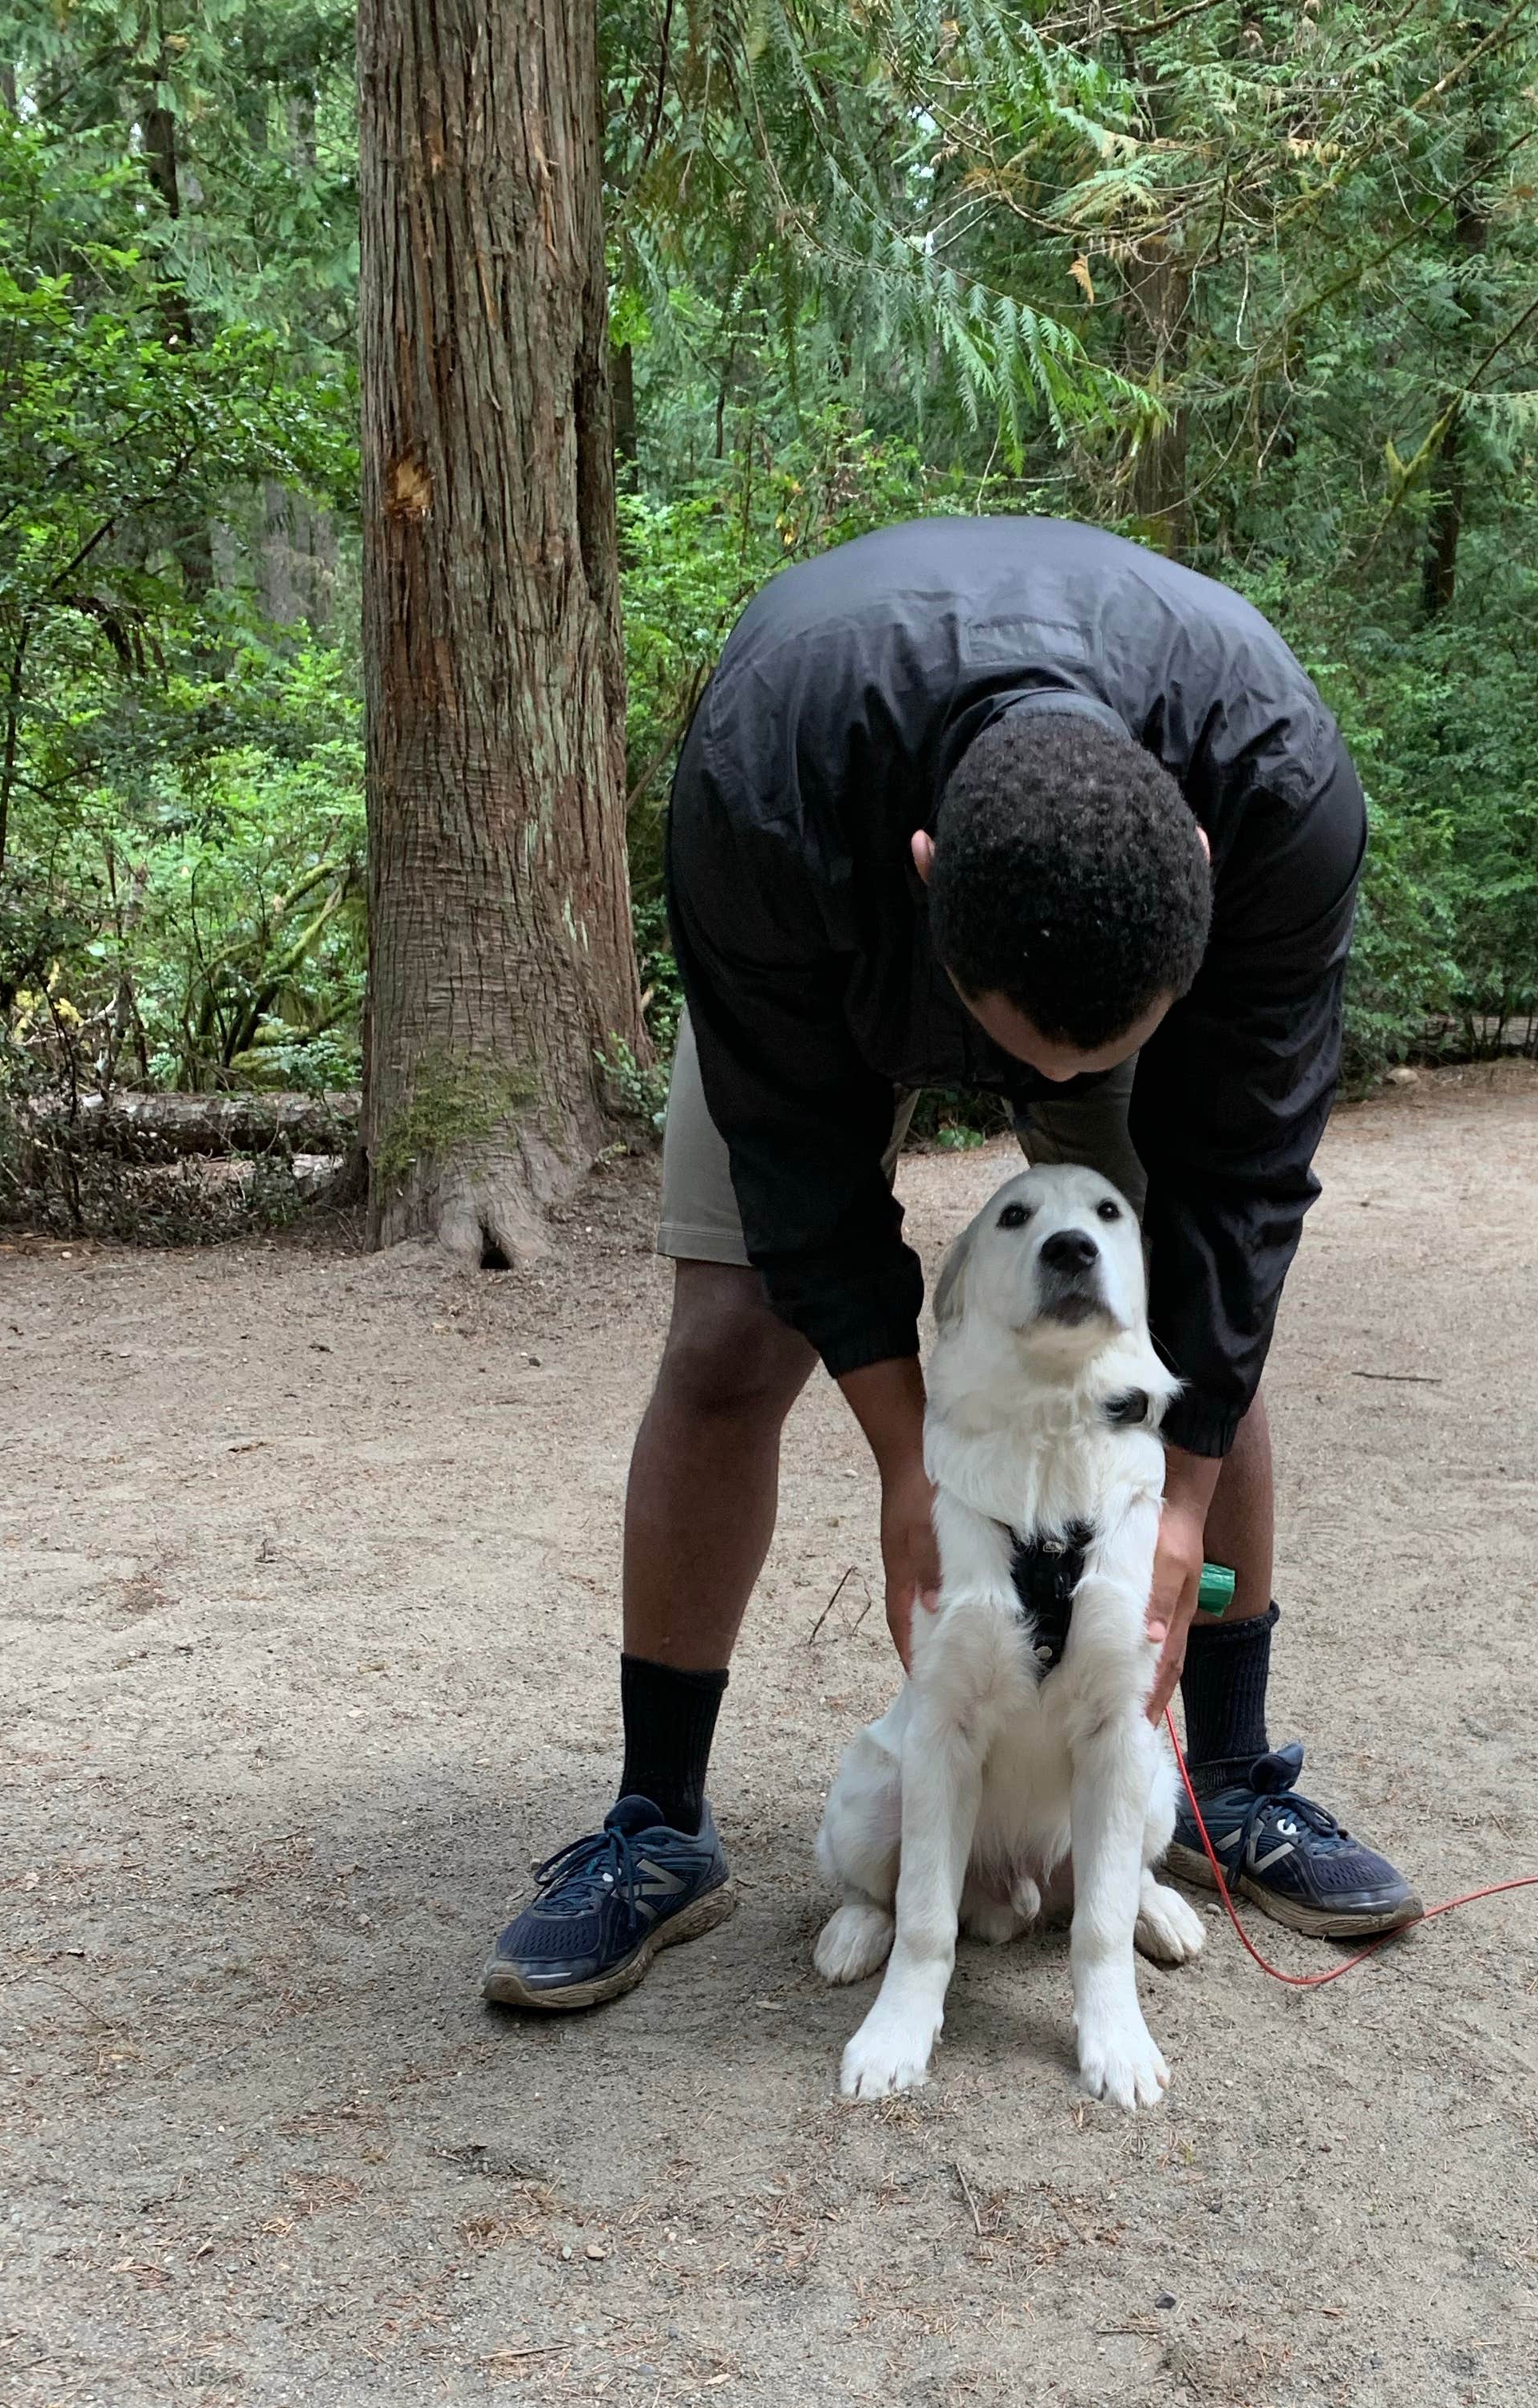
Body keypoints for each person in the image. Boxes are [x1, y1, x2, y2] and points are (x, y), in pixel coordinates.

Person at [484, 515, 1419, 2013]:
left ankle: (1227, 1779)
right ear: (924, 875)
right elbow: (798, 1177)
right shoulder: (762, 780)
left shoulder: (1275, 790)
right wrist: (913, 1467)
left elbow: (1240, 1204)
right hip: (820, 953)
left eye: (1088, 1057)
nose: (1042, 1090)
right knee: (730, 1332)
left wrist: (1178, 1503)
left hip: (1119, 939)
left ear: (1200, 868)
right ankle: (658, 1823)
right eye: (1022, 1052)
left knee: (1172, 1336)